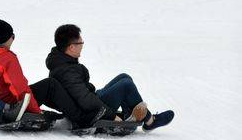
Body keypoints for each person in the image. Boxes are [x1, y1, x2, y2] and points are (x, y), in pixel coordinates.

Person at [0, 18, 104, 127]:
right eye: (12, 36)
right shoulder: (6, 58)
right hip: (7, 105)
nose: (13, 39)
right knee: (50, 85)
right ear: (5, 38)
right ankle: (81, 118)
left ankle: (77, 110)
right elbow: (21, 90)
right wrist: (37, 112)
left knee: (47, 86)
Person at [46, 24, 175, 131]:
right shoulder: (66, 71)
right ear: (71, 47)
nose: (82, 45)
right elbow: (85, 100)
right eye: (81, 43)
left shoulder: (62, 60)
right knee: (126, 85)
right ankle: (150, 121)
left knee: (124, 77)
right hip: (91, 110)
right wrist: (111, 115)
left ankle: (131, 114)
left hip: (91, 99)